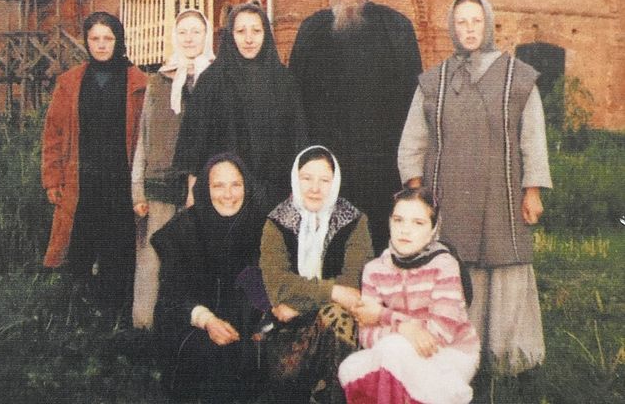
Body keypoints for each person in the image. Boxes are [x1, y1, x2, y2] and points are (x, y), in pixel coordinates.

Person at [397, 0, 552, 401]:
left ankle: (504, 355)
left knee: (502, 265)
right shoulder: (435, 81)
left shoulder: (518, 76)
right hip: (447, 196)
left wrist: (532, 190)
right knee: (453, 270)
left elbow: (533, 138)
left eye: (476, 22)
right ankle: (455, 355)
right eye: (461, 22)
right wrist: (417, 195)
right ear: (453, 27)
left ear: (488, 24)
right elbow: (413, 139)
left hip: (501, 193)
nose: (468, 30)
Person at [289, 0, 423, 254]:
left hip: (382, 176)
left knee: (381, 259)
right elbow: (294, 107)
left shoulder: (396, 28)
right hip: (326, 175)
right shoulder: (310, 31)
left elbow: (415, 106)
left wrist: (410, 172)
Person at [42, 11, 147, 315]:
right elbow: (53, 133)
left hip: (120, 180)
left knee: (119, 245)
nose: (101, 45)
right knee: (79, 244)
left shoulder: (137, 82)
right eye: (94, 39)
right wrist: (52, 178)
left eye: (108, 38)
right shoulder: (71, 82)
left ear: (119, 40)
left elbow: (145, 134)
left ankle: (115, 312)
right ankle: (78, 313)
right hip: (82, 181)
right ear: (86, 41)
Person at [338, 187, 480, 404]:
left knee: (394, 348)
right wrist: (403, 328)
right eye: (398, 220)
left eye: (418, 223)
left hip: (450, 353)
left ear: (433, 229)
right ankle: (438, 393)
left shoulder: (444, 264)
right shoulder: (374, 270)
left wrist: (383, 316)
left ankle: (444, 390)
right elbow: (365, 335)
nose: (405, 230)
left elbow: (439, 334)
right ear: (389, 222)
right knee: (349, 369)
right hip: (395, 352)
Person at [259, 145, 374, 404]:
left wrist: (301, 304)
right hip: (288, 330)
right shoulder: (277, 222)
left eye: (324, 180)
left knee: (336, 316)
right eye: (307, 178)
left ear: (335, 183)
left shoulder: (354, 221)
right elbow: (278, 285)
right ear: (295, 178)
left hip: (332, 327)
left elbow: (352, 286)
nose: (315, 188)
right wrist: (332, 292)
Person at [151, 153, 268, 403]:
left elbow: (265, 285)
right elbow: (172, 296)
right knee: (213, 358)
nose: (228, 194)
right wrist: (207, 320)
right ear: (205, 188)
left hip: (245, 324)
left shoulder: (261, 226)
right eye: (219, 185)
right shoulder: (183, 231)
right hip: (192, 321)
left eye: (236, 184)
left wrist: (261, 321)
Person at [173, 2, 307, 210]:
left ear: (266, 34)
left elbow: (297, 137)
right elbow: (196, 141)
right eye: (240, 31)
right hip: (224, 193)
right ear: (230, 35)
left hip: (273, 193)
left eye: (256, 31)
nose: (249, 39)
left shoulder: (284, 81)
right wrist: (192, 192)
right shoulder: (211, 80)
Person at [130, 9, 215, 329]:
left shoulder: (217, 77)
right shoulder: (159, 81)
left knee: (197, 258)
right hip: (161, 185)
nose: (190, 38)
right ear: (174, 37)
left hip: (206, 188)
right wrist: (138, 188)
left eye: (196, 31)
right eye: (183, 32)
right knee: (154, 257)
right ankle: (145, 325)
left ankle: (189, 328)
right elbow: (145, 137)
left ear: (206, 36)